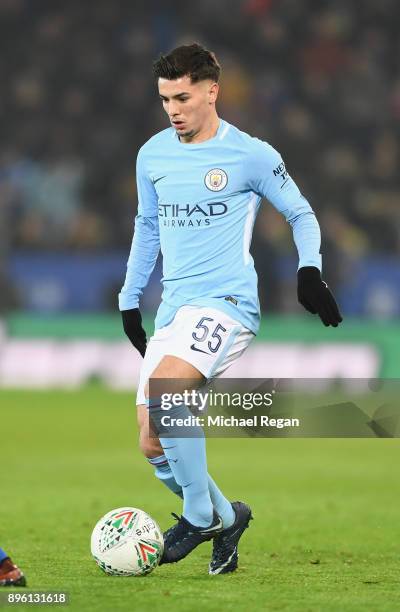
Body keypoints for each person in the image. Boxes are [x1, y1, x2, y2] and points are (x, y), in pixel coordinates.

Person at [119, 43, 342, 575]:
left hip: (227, 305)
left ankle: (198, 518)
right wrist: (130, 299)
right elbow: (146, 227)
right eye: (165, 99)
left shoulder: (251, 154)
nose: (173, 109)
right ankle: (227, 516)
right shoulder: (151, 154)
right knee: (153, 440)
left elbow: (301, 212)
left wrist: (309, 269)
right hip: (173, 309)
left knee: (169, 392)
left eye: (183, 96)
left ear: (211, 91)